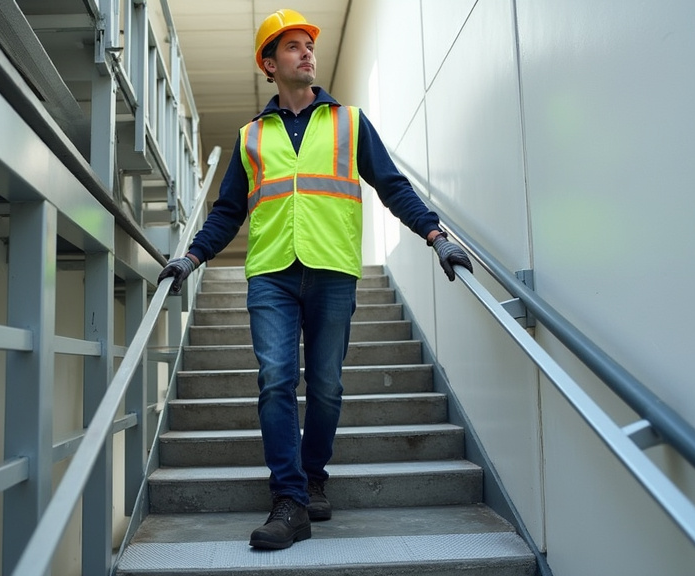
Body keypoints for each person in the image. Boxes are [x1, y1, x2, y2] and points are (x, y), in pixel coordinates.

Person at [158, 8, 473, 550]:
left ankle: (314, 474)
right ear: (269, 63)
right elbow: (227, 210)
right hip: (272, 274)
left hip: (332, 270)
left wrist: (435, 235)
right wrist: (191, 258)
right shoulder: (251, 136)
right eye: (293, 47)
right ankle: (290, 499)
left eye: (309, 45)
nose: (307, 53)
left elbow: (392, 186)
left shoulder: (350, 122)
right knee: (276, 378)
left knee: (325, 385)